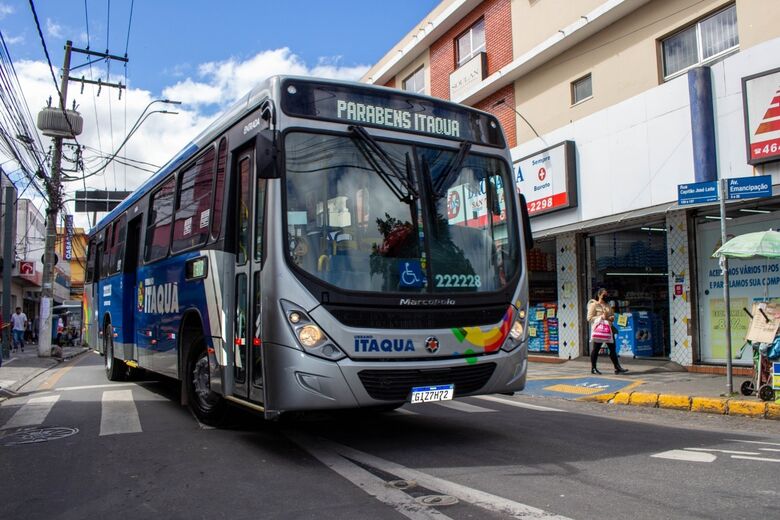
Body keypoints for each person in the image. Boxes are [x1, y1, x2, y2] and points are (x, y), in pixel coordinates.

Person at [587, 289, 628, 375]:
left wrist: (611, 317)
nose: (606, 296)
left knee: (612, 349)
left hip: (609, 330)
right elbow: (589, 318)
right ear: (599, 295)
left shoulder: (608, 305)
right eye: (604, 295)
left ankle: (617, 368)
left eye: (607, 294)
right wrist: (601, 317)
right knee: (596, 349)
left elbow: (611, 315)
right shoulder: (594, 305)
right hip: (599, 330)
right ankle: (593, 368)